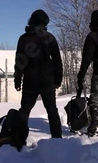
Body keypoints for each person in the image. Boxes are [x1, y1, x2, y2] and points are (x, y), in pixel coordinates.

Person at [14, 9, 64, 138]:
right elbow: (58, 61)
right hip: (48, 80)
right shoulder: (50, 38)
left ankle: (19, 139)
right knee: (52, 111)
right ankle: (57, 139)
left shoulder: (24, 39)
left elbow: (20, 61)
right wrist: (58, 80)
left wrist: (17, 80)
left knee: (24, 111)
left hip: (30, 80)